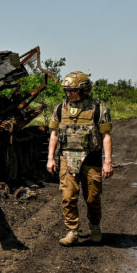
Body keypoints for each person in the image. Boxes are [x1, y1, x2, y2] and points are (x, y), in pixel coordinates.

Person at [46, 71, 113, 246]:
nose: (69, 94)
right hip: (67, 158)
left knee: (92, 197)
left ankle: (95, 227)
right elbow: (54, 134)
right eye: (67, 90)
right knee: (68, 197)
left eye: (73, 90)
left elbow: (106, 136)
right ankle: (72, 231)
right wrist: (50, 158)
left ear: (84, 90)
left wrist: (108, 162)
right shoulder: (60, 109)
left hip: (91, 159)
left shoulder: (99, 109)